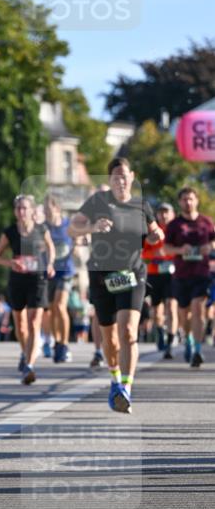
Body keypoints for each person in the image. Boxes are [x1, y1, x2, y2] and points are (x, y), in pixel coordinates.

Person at [70, 157, 162, 413]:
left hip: (133, 275)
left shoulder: (142, 206)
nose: (120, 181)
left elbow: (156, 233)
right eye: (115, 177)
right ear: (109, 180)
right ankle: (114, 378)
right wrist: (91, 226)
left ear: (132, 177)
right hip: (102, 277)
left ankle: (126, 387)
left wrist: (157, 234)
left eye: (124, 176)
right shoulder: (97, 202)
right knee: (110, 339)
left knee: (129, 332)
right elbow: (71, 230)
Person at [0, 195, 55, 385]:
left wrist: (50, 263)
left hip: (38, 279)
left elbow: (51, 247)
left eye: (25, 208)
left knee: (34, 322)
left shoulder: (41, 229)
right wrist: (10, 262)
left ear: (32, 210)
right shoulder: (10, 232)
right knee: (20, 325)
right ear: (15, 211)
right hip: (17, 280)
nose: (21, 211)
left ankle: (29, 365)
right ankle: (25, 351)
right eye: (18, 208)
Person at [163, 187, 215, 368]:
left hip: (201, 273)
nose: (188, 202)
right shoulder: (174, 225)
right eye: (185, 199)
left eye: (191, 199)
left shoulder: (206, 222)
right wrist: (179, 250)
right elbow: (166, 248)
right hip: (181, 274)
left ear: (197, 201)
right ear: (180, 202)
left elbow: (213, 240)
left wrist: (209, 247)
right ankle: (189, 340)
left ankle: (198, 350)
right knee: (184, 315)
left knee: (198, 309)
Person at [142, 203, 177, 358]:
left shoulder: (178, 230)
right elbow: (143, 252)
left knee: (171, 306)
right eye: (160, 212)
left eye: (166, 212)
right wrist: (155, 254)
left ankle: (170, 342)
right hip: (154, 274)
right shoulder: (151, 230)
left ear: (173, 214)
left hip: (173, 274)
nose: (163, 216)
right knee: (157, 311)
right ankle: (160, 332)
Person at [43, 194, 75, 363]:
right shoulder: (43, 227)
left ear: (57, 208)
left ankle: (64, 344)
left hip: (66, 271)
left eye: (49, 207)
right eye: (45, 208)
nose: (46, 211)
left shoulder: (68, 225)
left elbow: (79, 239)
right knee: (51, 309)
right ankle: (57, 341)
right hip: (49, 272)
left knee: (60, 306)